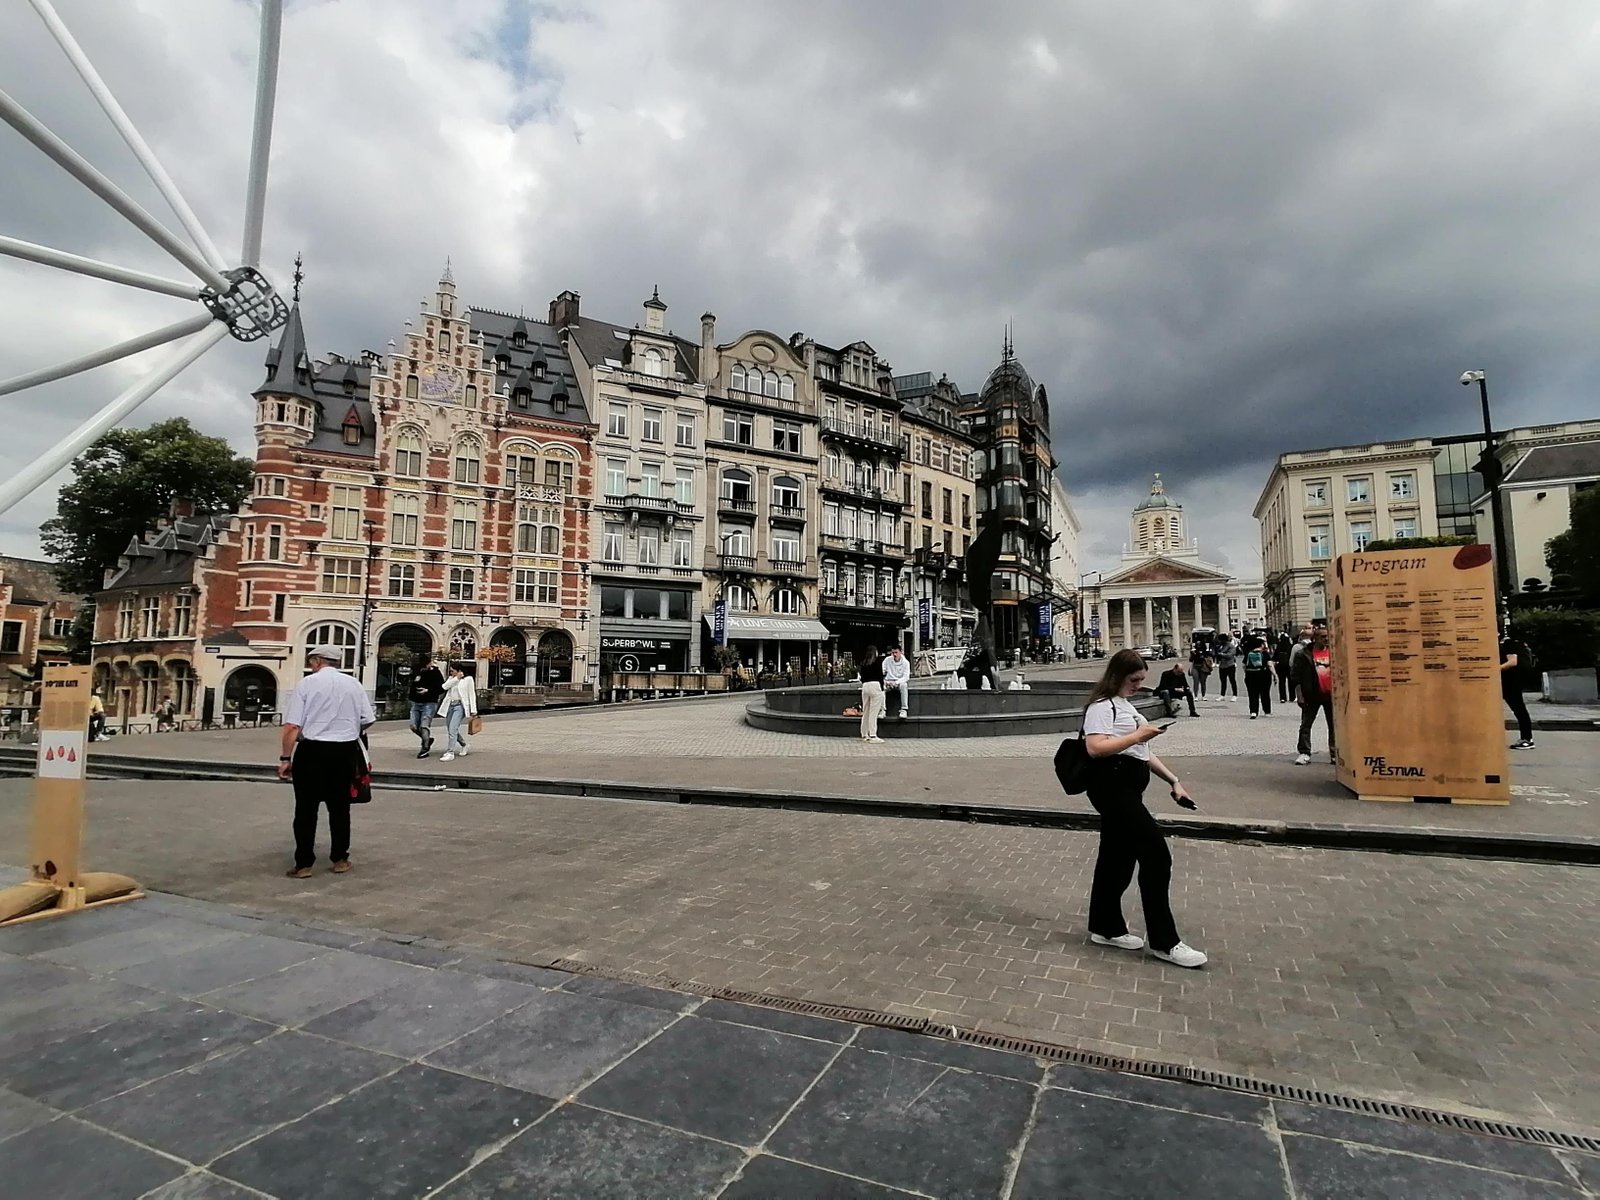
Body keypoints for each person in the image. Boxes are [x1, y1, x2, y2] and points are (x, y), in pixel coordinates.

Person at [1081, 649, 1207, 969]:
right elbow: (1095, 748)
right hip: (1112, 788)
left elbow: (1142, 752)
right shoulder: (1102, 707)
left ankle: (1105, 927)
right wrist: (1140, 733)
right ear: (1119, 675)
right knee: (1156, 855)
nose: (1139, 684)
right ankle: (1165, 942)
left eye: (1142, 679)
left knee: (1117, 858)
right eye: (1134, 679)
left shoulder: (1124, 705)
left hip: (1126, 789)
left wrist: (1174, 781)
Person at [277, 644, 376, 878]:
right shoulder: (353, 684)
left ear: (318, 661)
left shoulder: (307, 684)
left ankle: (304, 863)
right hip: (344, 751)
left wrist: (285, 758)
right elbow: (368, 719)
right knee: (340, 807)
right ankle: (340, 858)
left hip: (312, 750)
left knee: (305, 809)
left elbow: (292, 726)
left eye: (312, 661)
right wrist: (350, 729)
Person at [1291, 624, 1334, 765]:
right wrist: (1299, 695)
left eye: (1328, 637)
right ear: (1315, 638)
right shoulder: (1303, 654)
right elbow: (1295, 677)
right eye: (1323, 637)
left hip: (1331, 695)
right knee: (1306, 724)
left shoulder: (1334, 652)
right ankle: (1304, 752)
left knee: (1334, 725)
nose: (1326, 639)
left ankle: (1334, 753)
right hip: (1312, 694)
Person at [1500, 627, 1535, 750]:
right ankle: (1526, 738)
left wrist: (1495, 669)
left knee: (1519, 709)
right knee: (1518, 709)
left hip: (1511, 681)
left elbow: (1512, 662)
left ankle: (1527, 739)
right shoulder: (1515, 642)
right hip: (1510, 681)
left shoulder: (1508, 643)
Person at [439, 661, 479, 762]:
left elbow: (471, 694)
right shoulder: (452, 679)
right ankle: (464, 744)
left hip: (460, 705)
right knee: (451, 729)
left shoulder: (468, 679)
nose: (451, 673)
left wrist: (473, 710)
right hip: (450, 705)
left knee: (453, 728)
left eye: (453, 671)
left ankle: (450, 752)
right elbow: (444, 687)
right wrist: (456, 678)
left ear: (459, 670)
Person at [408, 652, 445, 759]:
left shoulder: (435, 672)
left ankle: (424, 749)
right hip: (416, 701)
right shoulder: (416, 671)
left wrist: (428, 690)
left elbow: (441, 687)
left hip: (429, 702)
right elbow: (411, 684)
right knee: (414, 726)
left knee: (424, 725)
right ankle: (428, 740)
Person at [1240, 629, 1273, 719]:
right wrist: (1274, 674)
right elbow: (1270, 665)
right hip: (1263, 675)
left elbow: (1243, 665)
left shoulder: (1249, 654)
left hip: (1251, 675)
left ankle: (1253, 712)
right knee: (1265, 693)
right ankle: (1267, 711)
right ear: (1261, 645)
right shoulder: (1264, 653)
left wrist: (1248, 671)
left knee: (1252, 694)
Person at [858, 645, 885, 743]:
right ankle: (873, 735)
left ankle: (864, 734)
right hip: (875, 685)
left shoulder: (863, 663)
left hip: (865, 686)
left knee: (866, 710)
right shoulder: (878, 662)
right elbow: (880, 675)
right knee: (874, 712)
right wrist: (882, 688)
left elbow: (862, 677)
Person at [882, 645, 912, 719]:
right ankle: (882, 710)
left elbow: (906, 677)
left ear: (901, 652)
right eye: (893, 653)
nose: (894, 654)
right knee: (881, 687)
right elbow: (882, 672)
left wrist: (896, 683)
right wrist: (886, 682)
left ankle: (904, 709)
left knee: (904, 686)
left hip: (899, 683)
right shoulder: (887, 660)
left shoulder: (906, 663)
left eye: (896, 652)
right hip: (888, 682)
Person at [1212, 632, 1238, 702]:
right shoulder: (1220, 646)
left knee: (1232, 680)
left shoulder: (1231, 646)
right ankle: (1222, 695)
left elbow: (1230, 655)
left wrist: (1221, 654)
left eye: (1220, 640)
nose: (1219, 641)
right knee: (1223, 681)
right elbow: (1216, 653)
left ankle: (1235, 695)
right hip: (1222, 666)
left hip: (1230, 665)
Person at [1273, 630, 1295, 704]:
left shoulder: (1279, 647)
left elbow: (1274, 657)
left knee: (1282, 682)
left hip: (1280, 666)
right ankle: (1292, 697)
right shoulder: (1290, 647)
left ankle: (1283, 697)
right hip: (1289, 665)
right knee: (1290, 682)